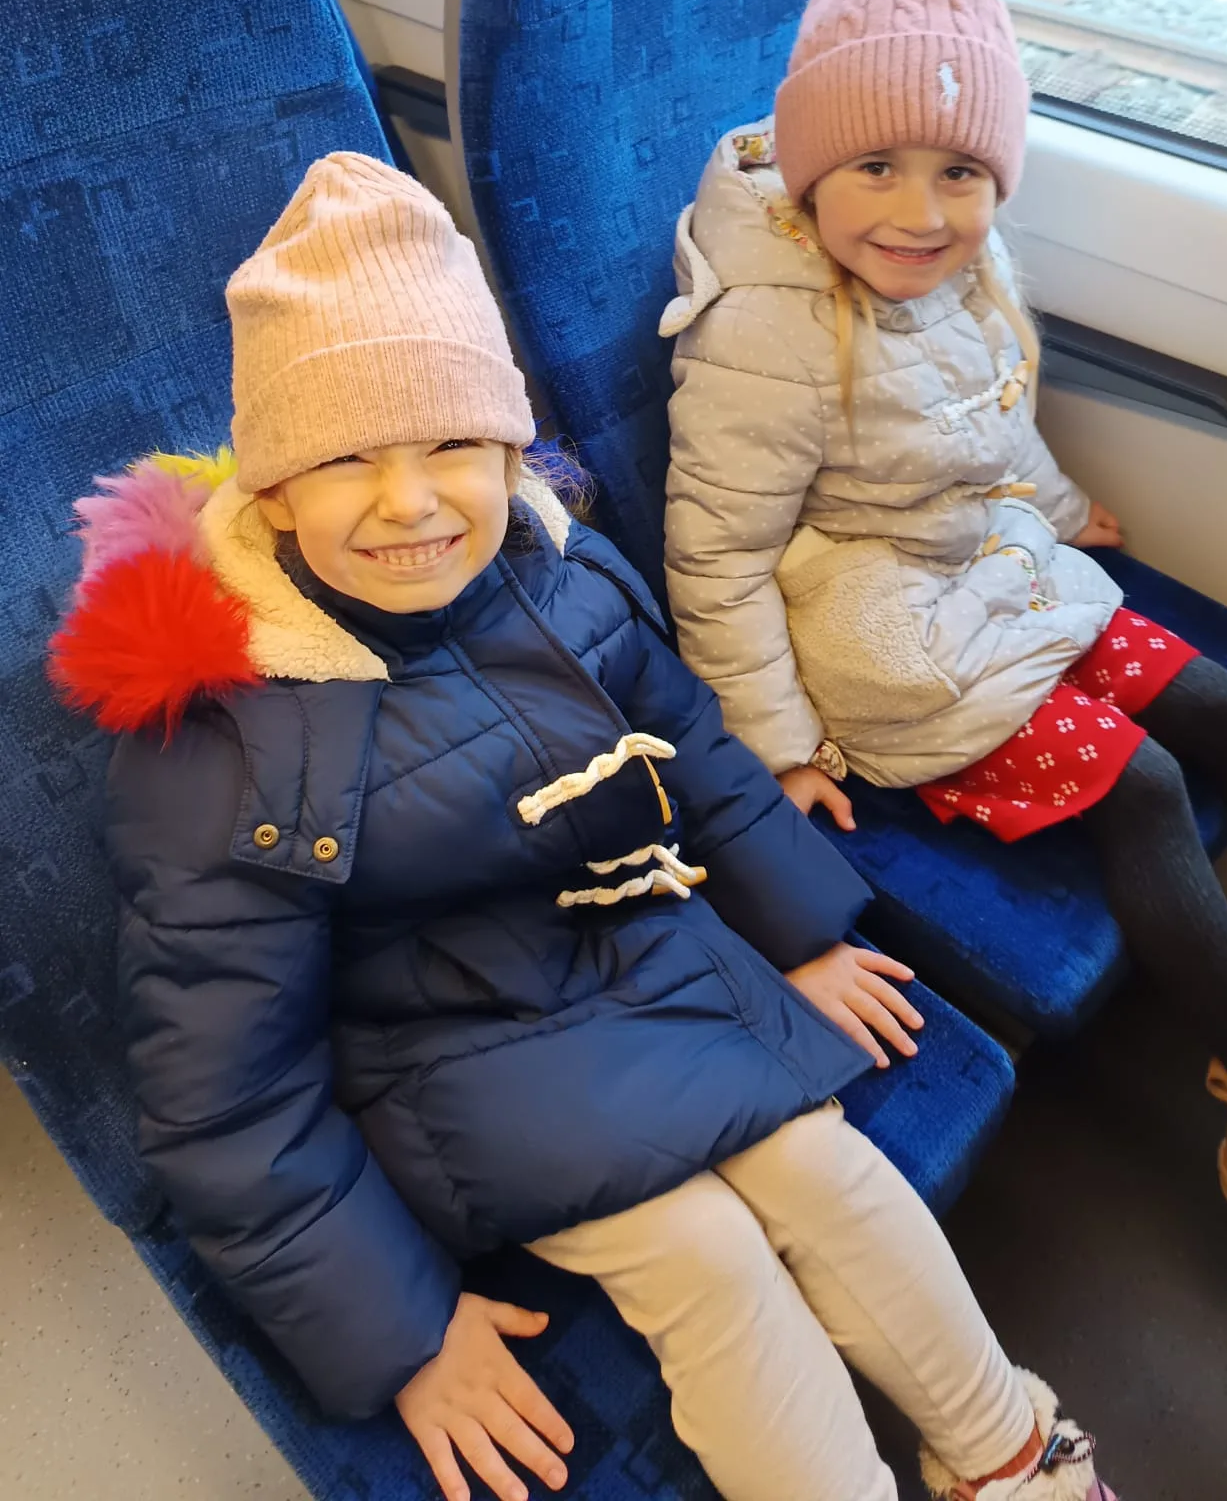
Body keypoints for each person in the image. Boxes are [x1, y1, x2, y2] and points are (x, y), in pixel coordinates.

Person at [50, 152, 1113, 1501]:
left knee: (827, 1168)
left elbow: (697, 754)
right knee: (704, 1257)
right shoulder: (231, 735)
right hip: (448, 1054)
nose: (411, 501)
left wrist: (798, 933)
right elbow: (225, 1097)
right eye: (346, 458)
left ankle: (1016, 1457)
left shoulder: (560, 575)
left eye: (451, 444)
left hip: (643, 951)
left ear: (510, 451)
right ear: (271, 493)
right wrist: (402, 1332)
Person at [662, 0, 1227, 1270]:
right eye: (874, 166)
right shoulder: (766, 331)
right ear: (812, 171)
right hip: (876, 629)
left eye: (960, 172)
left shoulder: (965, 262)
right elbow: (718, 554)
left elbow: (990, 412)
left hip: (988, 555)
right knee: (1143, 783)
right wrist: (779, 743)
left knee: (1210, 702)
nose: (922, 211)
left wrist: (1056, 508)